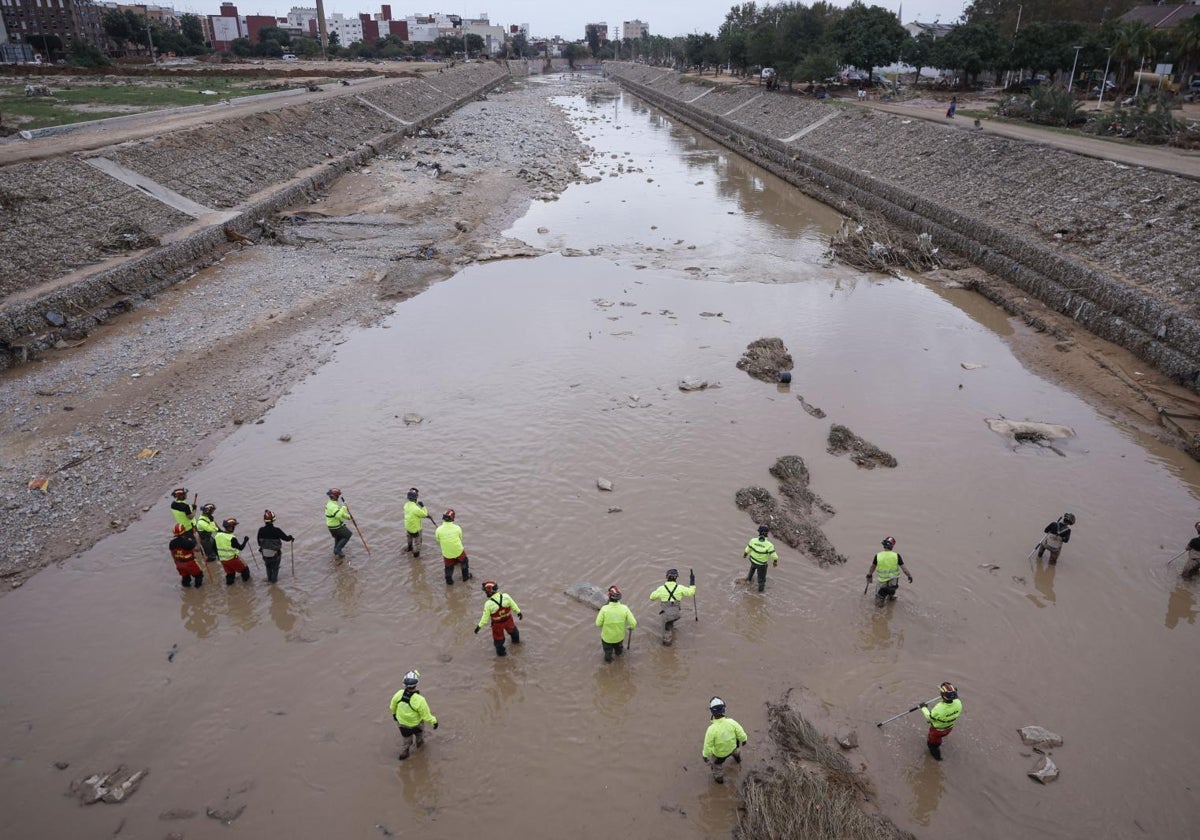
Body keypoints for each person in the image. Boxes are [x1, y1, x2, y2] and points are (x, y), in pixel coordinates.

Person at [389, 669, 438, 761]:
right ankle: (420, 747)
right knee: (420, 737)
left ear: (404, 683)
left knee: (406, 740)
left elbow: (392, 706)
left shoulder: (398, 694)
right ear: (416, 684)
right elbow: (426, 715)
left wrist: (394, 715)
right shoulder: (420, 700)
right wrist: (434, 722)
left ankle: (404, 753)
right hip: (417, 725)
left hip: (403, 725)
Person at [701, 696, 748, 784]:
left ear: (712, 712)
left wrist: (705, 755)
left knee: (717, 766)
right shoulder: (731, 722)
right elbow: (740, 732)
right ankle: (738, 759)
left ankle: (719, 779)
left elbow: (708, 745)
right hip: (733, 748)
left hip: (719, 755)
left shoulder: (711, 729)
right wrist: (744, 739)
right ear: (724, 709)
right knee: (736, 752)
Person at [474, 580, 522, 656]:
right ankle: (517, 645)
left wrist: (479, 627)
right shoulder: (506, 596)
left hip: (497, 625)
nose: (486, 593)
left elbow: (485, 619)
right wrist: (519, 612)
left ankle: (502, 656)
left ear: (489, 592)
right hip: (508, 620)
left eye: (486, 592)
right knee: (514, 633)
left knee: (498, 641)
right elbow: (514, 606)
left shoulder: (488, 604)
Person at [649, 568, 696, 646]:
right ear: (676, 577)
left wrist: (657, 592)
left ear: (666, 577)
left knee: (667, 630)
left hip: (667, 615)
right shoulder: (680, 588)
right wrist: (692, 582)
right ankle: (671, 625)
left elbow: (651, 597)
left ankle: (667, 647)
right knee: (672, 619)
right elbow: (692, 592)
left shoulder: (661, 589)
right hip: (676, 614)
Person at [920, 682, 962, 761]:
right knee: (938, 738)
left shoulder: (939, 708)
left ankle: (938, 758)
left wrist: (923, 708)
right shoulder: (958, 703)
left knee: (932, 745)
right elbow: (955, 698)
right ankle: (938, 743)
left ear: (943, 696)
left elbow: (929, 718)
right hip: (949, 728)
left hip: (937, 731)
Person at [867, 536, 912, 606]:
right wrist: (909, 576)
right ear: (892, 546)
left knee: (879, 597)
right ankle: (891, 598)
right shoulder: (896, 556)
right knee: (891, 590)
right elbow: (904, 569)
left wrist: (869, 574)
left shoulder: (878, 556)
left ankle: (879, 611)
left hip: (882, 581)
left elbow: (872, 567)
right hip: (893, 580)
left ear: (884, 545)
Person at [595, 585, 637, 662]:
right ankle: (619, 655)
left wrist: (605, 625)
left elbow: (598, 623)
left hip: (607, 638)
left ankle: (609, 662)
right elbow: (633, 623)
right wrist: (631, 627)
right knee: (619, 650)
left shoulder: (604, 609)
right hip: (619, 637)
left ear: (609, 597)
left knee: (608, 653)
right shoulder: (625, 608)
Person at [257, 509, 295, 584]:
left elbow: (259, 543)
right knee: (275, 569)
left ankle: (269, 581)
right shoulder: (277, 530)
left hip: (264, 555)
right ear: (273, 520)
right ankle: (273, 584)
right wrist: (291, 537)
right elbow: (286, 539)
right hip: (275, 555)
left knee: (268, 567)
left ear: (264, 520)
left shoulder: (261, 530)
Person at [434, 509, 471, 585]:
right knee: (464, 562)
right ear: (453, 518)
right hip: (458, 551)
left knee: (448, 567)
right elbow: (460, 538)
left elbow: (438, 541)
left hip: (447, 554)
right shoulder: (457, 528)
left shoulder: (438, 530)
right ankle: (465, 577)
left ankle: (449, 581)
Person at [214, 517, 251, 585]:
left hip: (222, 560)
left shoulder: (217, 535)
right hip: (231, 559)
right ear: (231, 527)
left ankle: (230, 587)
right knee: (245, 570)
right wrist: (245, 540)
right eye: (234, 526)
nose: (234, 528)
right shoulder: (231, 538)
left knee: (230, 573)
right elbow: (240, 548)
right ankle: (247, 585)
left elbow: (214, 548)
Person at [743, 525, 778, 592]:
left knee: (752, 568)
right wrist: (775, 562)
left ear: (759, 532)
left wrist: (744, 555)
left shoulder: (753, 540)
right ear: (767, 533)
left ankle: (748, 580)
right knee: (761, 579)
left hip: (752, 560)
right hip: (761, 564)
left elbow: (747, 550)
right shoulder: (769, 545)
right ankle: (760, 593)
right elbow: (774, 556)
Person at [169, 523, 204, 588]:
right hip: (189, 563)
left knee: (185, 577)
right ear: (184, 531)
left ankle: (186, 590)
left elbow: (172, 555)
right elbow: (198, 549)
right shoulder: (187, 542)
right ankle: (198, 590)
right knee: (199, 575)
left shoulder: (171, 543)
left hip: (179, 563)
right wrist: (197, 539)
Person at [403, 488, 432, 558]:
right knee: (417, 543)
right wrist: (423, 506)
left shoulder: (406, 505)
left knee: (409, 539)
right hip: (416, 529)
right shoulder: (416, 509)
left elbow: (413, 508)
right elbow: (425, 514)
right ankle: (416, 556)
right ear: (416, 498)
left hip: (408, 527)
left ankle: (409, 548)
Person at [325, 488, 352, 560]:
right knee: (348, 534)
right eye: (338, 496)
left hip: (332, 526)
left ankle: (336, 551)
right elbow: (338, 515)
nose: (338, 497)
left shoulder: (332, 503)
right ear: (335, 496)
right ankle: (338, 549)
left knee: (338, 538)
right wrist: (344, 507)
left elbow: (339, 513)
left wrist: (348, 517)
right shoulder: (332, 505)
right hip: (335, 527)